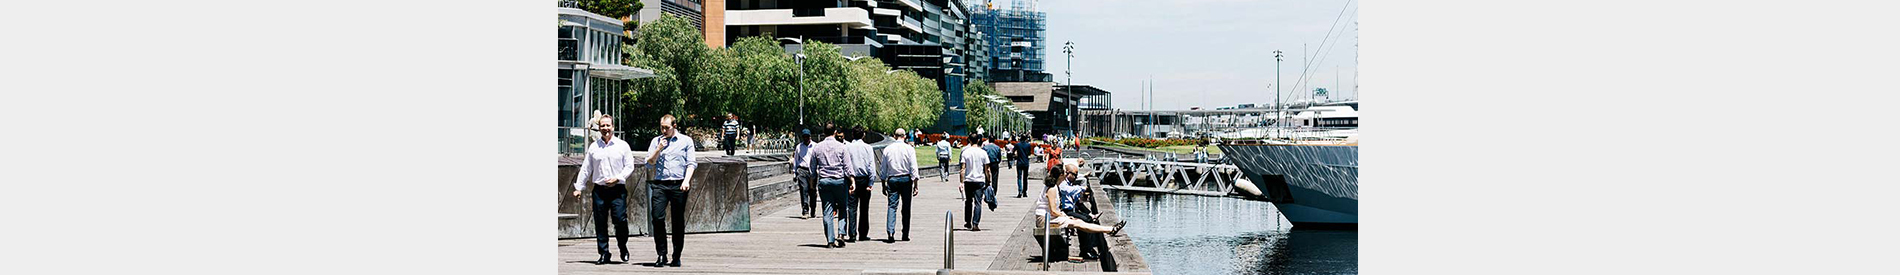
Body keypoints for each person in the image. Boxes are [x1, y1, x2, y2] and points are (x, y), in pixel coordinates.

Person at [571, 115, 636, 265]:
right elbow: (586, 169)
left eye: (608, 125)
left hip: (617, 189)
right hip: (599, 190)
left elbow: (629, 166)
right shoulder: (594, 147)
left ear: (613, 127)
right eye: (602, 126)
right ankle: (604, 253)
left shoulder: (622, 145)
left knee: (620, 220)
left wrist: (618, 178)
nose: (605, 129)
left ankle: (622, 246)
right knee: (600, 223)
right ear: (599, 128)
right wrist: (579, 188)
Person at [1040, 162, 1125, 271]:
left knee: (1083, 220)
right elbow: (1053, 210)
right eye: (1066, 173)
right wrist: (1065, 216)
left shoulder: (1055, 185)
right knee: (1082, 221)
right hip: (1047, 219)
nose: (1067, 176)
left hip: (1053, 216)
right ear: (1061, 175)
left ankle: (1107, 231)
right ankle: (1102, 236)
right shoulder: (1054, 188)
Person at [643, 114, 697, 267]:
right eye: (662, 127)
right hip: (660, 184)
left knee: (677, 221)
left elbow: (691, 163)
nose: (664, 130)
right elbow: (649, 164)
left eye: (667, 127)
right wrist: (659, 149)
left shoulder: (686, 141)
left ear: (674, 126)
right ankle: (661, 254)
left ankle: (676, 255)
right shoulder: (656, 141)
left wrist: (686, 181)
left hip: (678, 184)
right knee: (657, 217)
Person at [808, 124, 853, 248]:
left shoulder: (817, 148)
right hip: (839, 181)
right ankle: (841, 233)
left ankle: (830, 240)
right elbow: (848, 168)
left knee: (827, 210)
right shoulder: (842, 147)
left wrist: (812, 182)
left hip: (824, 181)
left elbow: (812, 168)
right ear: (835, 132)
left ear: (824, 132)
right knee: (843, 208)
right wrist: (852, 181)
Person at [880, 128, 920, 242]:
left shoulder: (888, 149)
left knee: (892, 206)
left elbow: (883, 169)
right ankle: (905, 233)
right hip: (906, 179)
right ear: (905, 136)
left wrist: (883, 183)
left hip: (892, 179)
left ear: (894, 136)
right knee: (906, 207)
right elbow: (913, 167)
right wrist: (916, 184)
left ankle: (891, 232)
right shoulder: (909, 149)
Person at [843, 126, 879, 242]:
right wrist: (871, 182)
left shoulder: (847, 147)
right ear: (863, 135)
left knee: (852, 208)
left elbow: (845, 165)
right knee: (864, 208)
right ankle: (863, 233)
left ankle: (852, 234)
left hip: (851, 180)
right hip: (864, 179)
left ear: (852, 135)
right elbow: (871, 166)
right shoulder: (868, 148)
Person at [957, 135, 991, 231]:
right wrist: (989, 180)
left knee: (968, 201)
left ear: (969, 140)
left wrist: (961, 182)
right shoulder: (983, 153)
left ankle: (968, 222)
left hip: (968, 180)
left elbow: (962, 169)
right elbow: (987, 169)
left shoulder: (965, 152)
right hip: (979, 180)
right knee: (978, 202)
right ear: (979, 140)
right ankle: (975, 223)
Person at [792, 128, 817, 219]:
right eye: (804, 137)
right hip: (802, 170)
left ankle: (813, 208)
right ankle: (805, 210)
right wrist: (795, 173)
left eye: (807, 136)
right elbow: (795, 161)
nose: (806, 138)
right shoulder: (799, 147)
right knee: (804, 190)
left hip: (812, 172)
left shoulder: (815, 146)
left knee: (812, 191)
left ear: (810, 137)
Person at [982, 136, 1002, 209]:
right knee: (995, 178)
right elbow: (999, 157)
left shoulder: (985, 148)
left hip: (987, 164)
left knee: (986, 177)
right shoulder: (997, 147)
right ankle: (994, 191)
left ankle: (986, 190)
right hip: (994, 163)